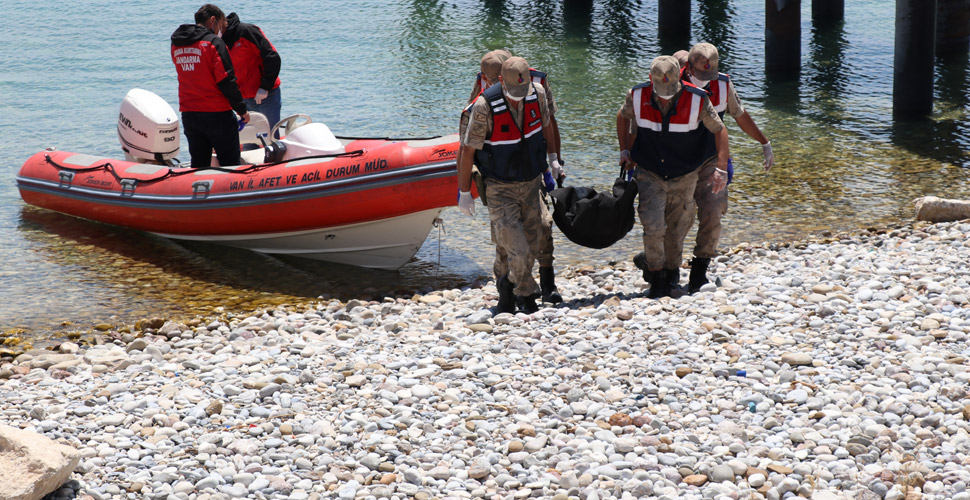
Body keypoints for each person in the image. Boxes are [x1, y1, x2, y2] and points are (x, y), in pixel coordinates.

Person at [634, 43, 774, 293]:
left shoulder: (722, 84)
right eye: (700, 74)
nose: (706, 79)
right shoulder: (672, 81)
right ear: (687, 68)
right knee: (675, 219)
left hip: (709, 160)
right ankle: (666, 269)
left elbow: (739, 116)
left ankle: (699, 271)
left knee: (712, 213)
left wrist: (763, 142)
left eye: (709, 74)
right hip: (679, 163)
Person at [617, 55, 730, 299]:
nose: (665, 94)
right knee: (653, 224)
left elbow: (720, 129)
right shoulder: (636, 95)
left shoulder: (698, 99)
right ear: (650, 80)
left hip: (685, 173)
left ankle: (672, 273)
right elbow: (623, 117)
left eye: (670, 89)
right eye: (660, 89)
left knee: (677, 228)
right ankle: (657, 279)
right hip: (649, 171)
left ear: (680, 76)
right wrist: (624, 150)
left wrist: (721, 166)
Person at [457, 57, 560, 314]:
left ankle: (505, 287)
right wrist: (463, 191)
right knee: (517, 246)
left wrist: (553, 160)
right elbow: (467, 150)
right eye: (513, 93)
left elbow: (546, 126)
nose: (518, 98)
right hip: (499, 187)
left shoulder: (536, 94)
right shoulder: (483, 106)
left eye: (521, 93)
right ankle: (527, 297)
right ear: (501, 80)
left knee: (533, 240)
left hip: (530, 183)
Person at [171, 4, 249, 167]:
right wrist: (242, 110)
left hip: (190, 113)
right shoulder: (214, 43)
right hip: (217, 114)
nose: (222, 30)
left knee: (199, 164)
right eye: (221, 25)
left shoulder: (177, 45)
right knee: (230, 164)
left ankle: (199, 190)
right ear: (213, 20)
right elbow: (226, 81)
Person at [222, 12, 282, 133]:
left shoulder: (247, 31)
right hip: (243, 101)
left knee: (269, 139)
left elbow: (272, 57)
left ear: (217, 21)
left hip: (266, 95)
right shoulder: (217, 41)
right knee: (249, 143)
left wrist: (265, 86)